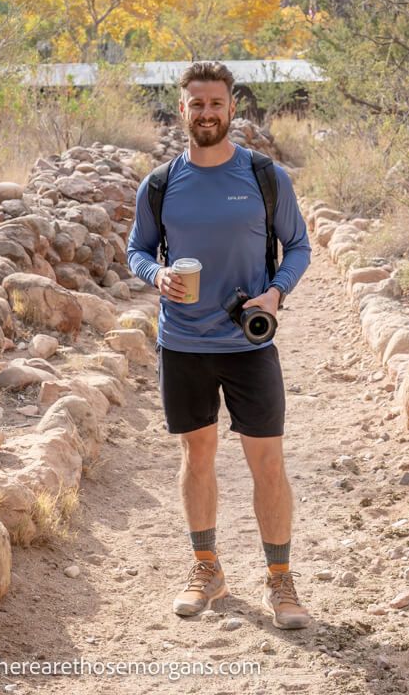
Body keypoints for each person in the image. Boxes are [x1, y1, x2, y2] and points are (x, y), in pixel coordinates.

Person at [127, 60, 312, 627]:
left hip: (250, 346)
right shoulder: (159, 186)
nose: (206, 113)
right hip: (182, 344)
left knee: (267, 464)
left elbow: (299, 247)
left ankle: (281, 580)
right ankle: (206, 566)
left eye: (216, 103)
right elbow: (137, 250)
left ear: (233, 108)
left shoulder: (264, 177)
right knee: (197, 457)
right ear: (182, 110)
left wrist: (275, 294)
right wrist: (155, 276)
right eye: (196, 104)